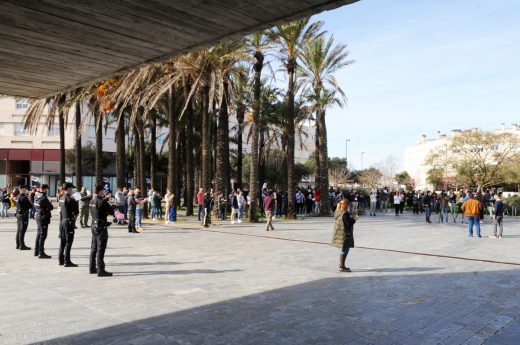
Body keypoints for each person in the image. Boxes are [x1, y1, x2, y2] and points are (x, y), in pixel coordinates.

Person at [89, 184, 115, 277]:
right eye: (103, 190)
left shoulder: (92, 200)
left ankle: (92, 268)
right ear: (100, 191)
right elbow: (111, 212)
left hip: (94, 225)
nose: (104, 192)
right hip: (101, 227)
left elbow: (97, 212)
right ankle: (101, 270)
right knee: (101, 249)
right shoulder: (102, 202)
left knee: (94, 248)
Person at [331, 199, 356, 272]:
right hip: (344, 235)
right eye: (348, 205)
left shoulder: (338, 212)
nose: (348, 206)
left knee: (344, 249)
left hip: (340, 234)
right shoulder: (345, 214)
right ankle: (342, 266)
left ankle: (342, 265)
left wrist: (351, 218)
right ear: (345, 205)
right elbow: (348, 225)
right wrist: (354, 219)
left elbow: (345, 222)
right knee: (345, 250)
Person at [58, 182, 79, 266]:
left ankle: (61, 260)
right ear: (69, 189)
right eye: (71, 188)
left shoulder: (61, 197)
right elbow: (76, 211)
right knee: (68, 242)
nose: (72, 190)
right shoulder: (71, 199)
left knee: (62, 242)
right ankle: (67, 261)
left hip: (62, 221)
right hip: (69, 222)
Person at [34, 184, 53, 258]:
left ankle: (37, 251)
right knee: (43, 235)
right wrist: (50, 201)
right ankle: (41, 252)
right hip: (43, 217)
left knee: (39, 234)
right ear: (45, 189)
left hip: (38, 215)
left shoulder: (36, 196)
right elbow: (51, 207)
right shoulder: (44, 198)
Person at [15, 185, 33, 250]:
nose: (25, 190)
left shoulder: (17, 196)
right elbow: (30, 205)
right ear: (21, 189)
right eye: (24, 189)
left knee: (19, 230)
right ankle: (22, 245)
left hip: (18, 214)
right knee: (22, 231)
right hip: (23, 215)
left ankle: (18, 244)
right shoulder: (23, 197)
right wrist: (30, 200)